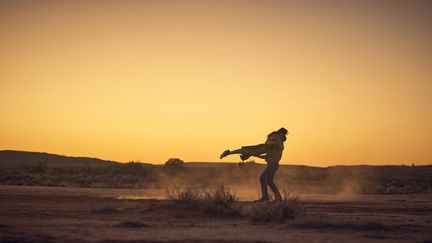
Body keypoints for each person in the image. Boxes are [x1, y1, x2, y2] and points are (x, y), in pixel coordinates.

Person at [219, 128, 288, 202]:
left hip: (272, 165)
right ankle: (278, 198)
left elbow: (274, 143)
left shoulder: (278, 142)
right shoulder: (273, 148)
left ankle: (266, 197)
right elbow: (266, 155)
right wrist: (255, 155)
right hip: (272, 165)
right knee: (269, 181)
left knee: (262, 178)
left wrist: (267, 143)